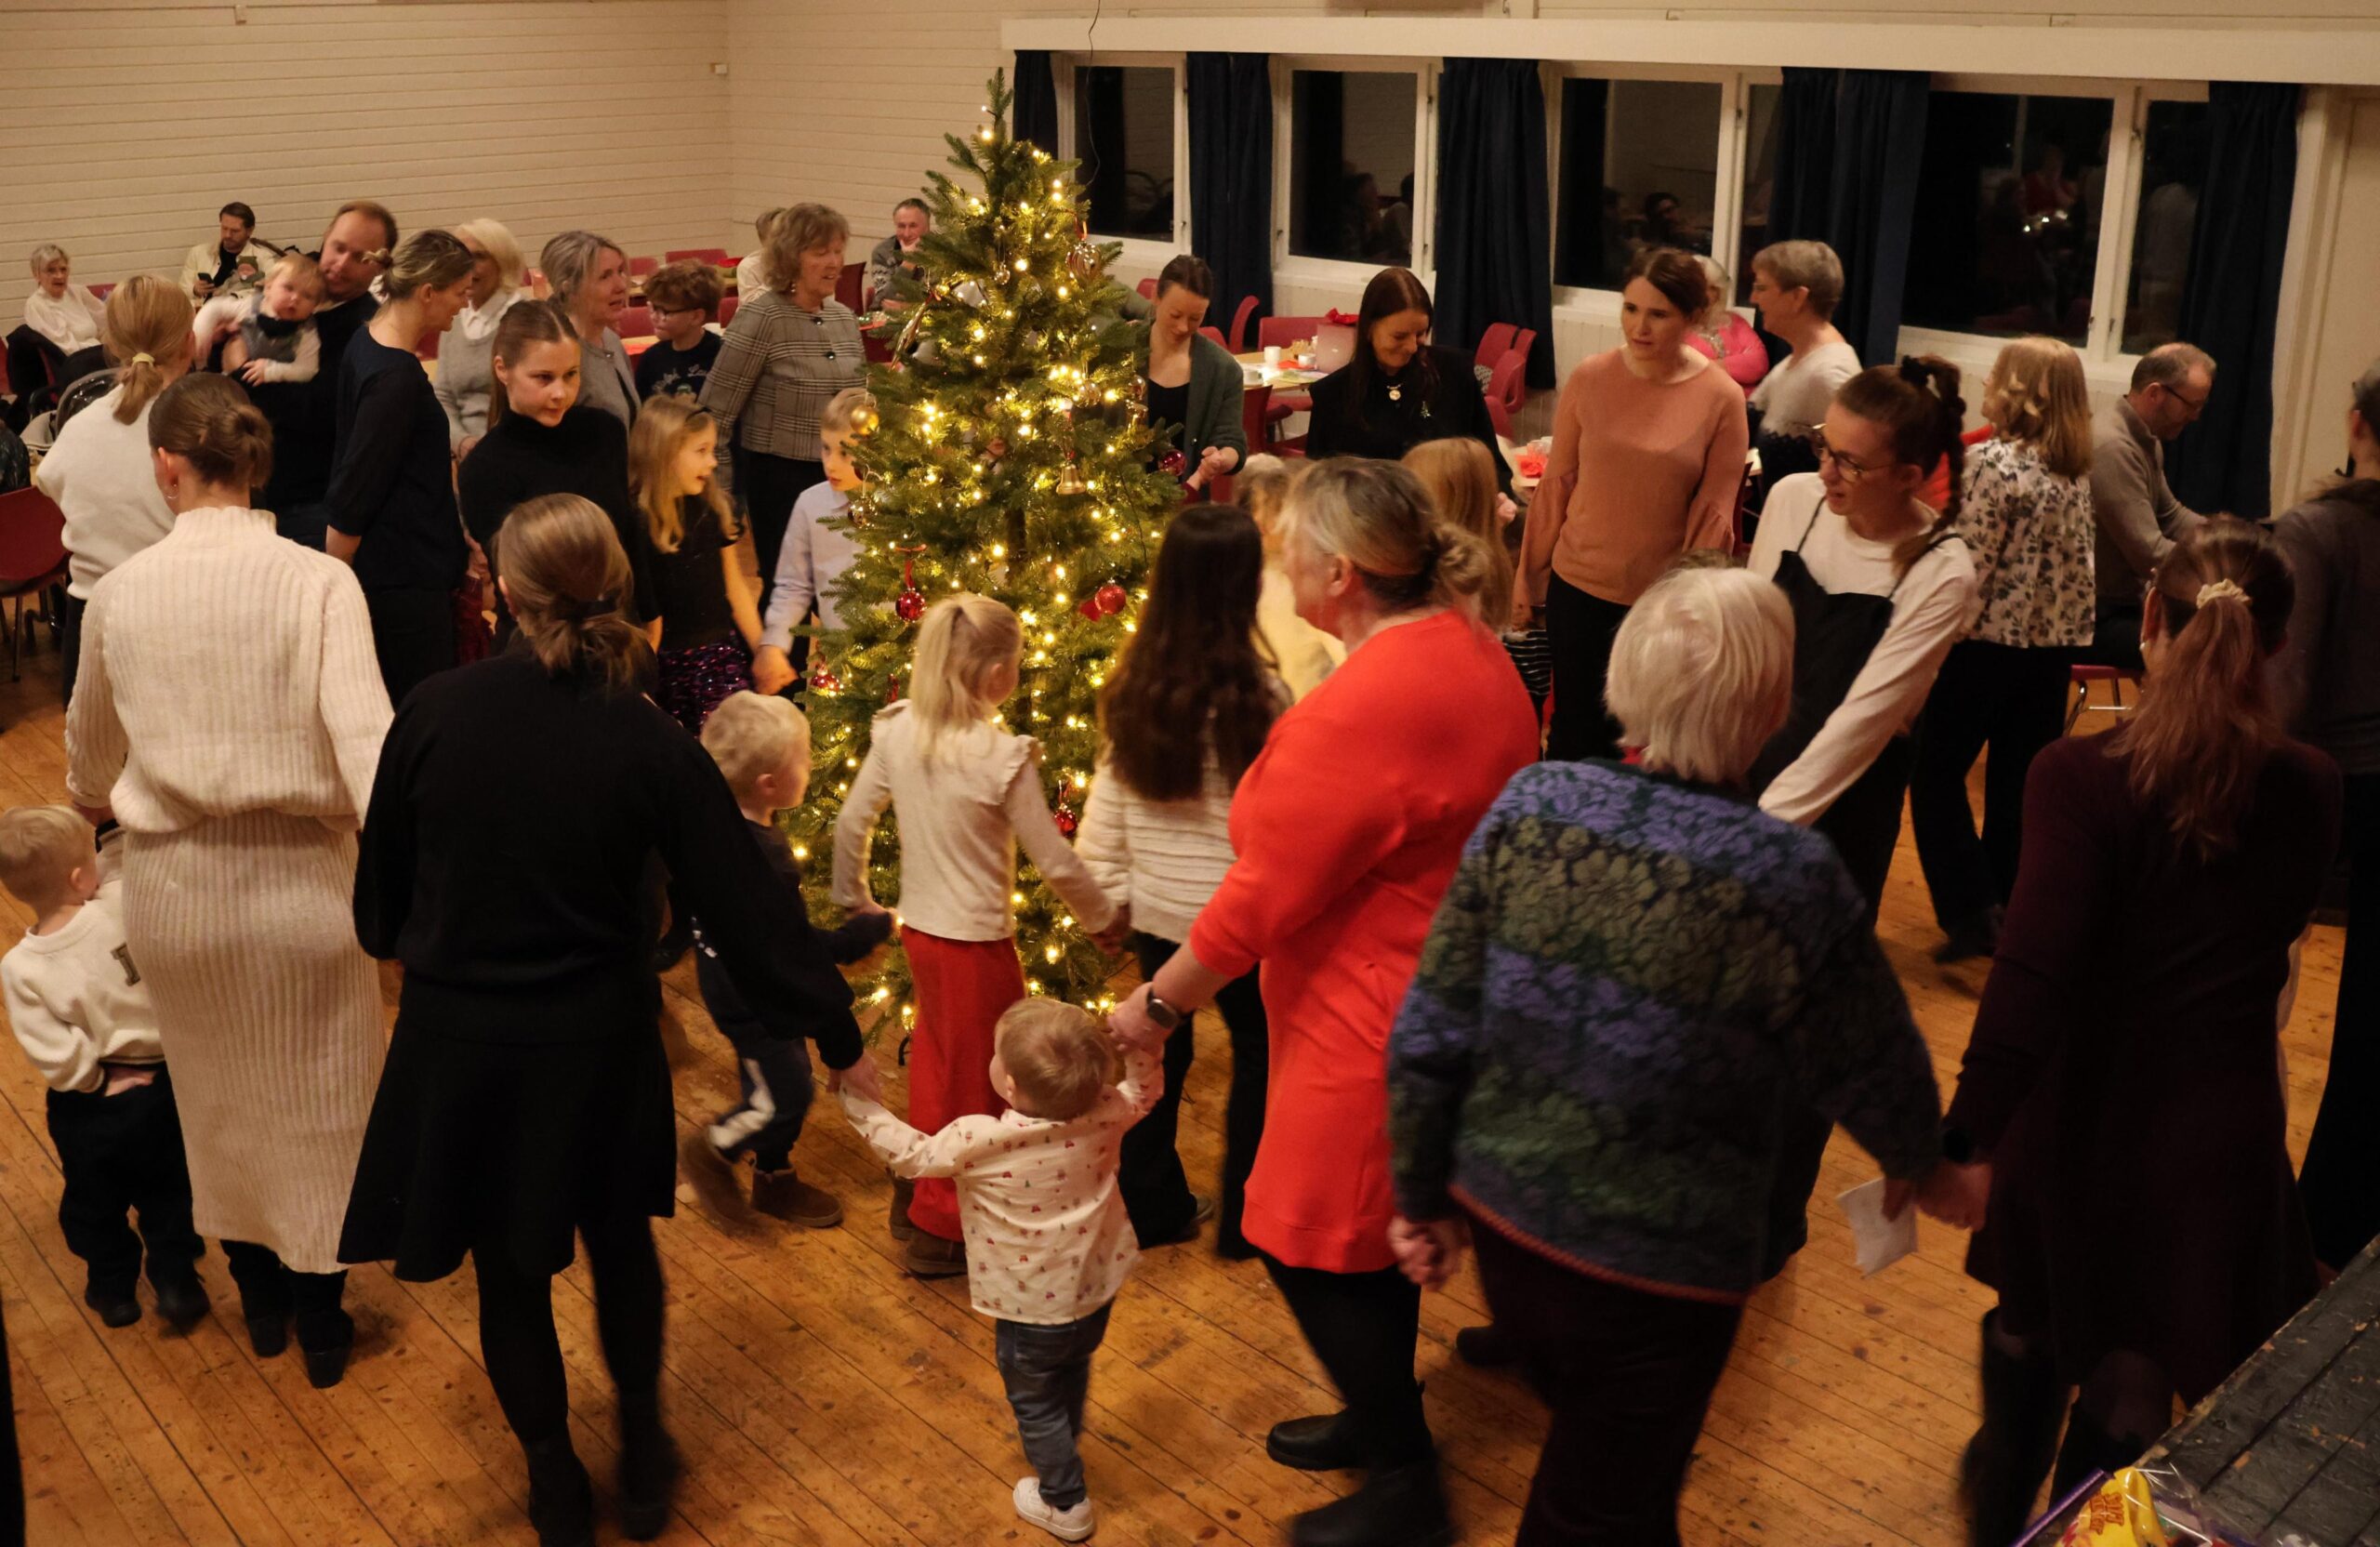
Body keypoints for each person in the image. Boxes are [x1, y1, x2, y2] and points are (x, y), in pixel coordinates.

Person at [338, 495, 879, 1547]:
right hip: (597, 1037)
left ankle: (551, 1482)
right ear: (618, 590)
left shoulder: (435, 711)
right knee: (620, 1245)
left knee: (508, 1269)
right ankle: (642, 1451)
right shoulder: (648, 739)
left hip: (465, 1042)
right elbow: (751, 910)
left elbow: (378, 912)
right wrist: (838, 1028)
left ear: (499, 587)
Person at [1382, 566, 1950, 1547]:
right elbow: (1870, 1060)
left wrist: (1420, 1193)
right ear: (1773, 706)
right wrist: (1928, 1164)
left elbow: (1432, 1022)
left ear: (1623, 680)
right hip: (1662, 1270)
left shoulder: (1534, 803)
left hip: (1508, 1230)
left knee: (1620, 1485)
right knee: (1594, 1505)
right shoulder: (1785, 872)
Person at [1109, 459, 1537, 1546]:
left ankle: (1407, 1484)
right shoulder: (1461, 646)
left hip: (1374, 1007)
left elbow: (1257, 896)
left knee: (1301, 1236)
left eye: (1287, 541)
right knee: (1360, 1232)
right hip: (1418, 984)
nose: (1275, 556)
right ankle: (1377, 1412)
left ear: (1338, 571)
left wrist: (1152, 1009)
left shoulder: (1366, 706)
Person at [1941, 521, 2339, 1544]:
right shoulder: (2309, 786)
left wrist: (1960, 1135)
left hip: (2076, 1111)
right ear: (2280, 645)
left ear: (2147, 622)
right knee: (2134, 1388)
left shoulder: (2075, 775)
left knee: (2031, 1328)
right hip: (2212, 1131)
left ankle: (1992, 1517)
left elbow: (2030, 975)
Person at [67, 373, 393, 1388]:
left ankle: (256, 1300)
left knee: (212, 1100)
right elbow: (371, 750)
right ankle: (323, 1315)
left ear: (168, 465)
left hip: (177, 889)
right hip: (306, 885)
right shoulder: (320, 582)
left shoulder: (119, 595)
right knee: (326, 1101)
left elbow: (87, 765)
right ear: (254, 464)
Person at [831, 595, 1121, 1278]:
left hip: (922, 937)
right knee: (981, 1081)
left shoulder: (899, 731)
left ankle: (916, 1195)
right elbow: (1053, 859)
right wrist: (1103, 919)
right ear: (994, 673)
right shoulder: (1000, 756)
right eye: (1015, 663)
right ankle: (940, 1228)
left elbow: (851, 824)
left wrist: (858, 902)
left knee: (937, 1060)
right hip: (977, 947)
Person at [840, 998, 1163, 1543]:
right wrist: (1144, 1051)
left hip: (1029, 1307)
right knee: (1072, 1368)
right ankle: (1067, 1438)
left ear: (1010, 1087)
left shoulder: (979, 1138)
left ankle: (1066, 1502)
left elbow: (912, 1156)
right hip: (1096, 1288)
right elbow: (1144, 1093)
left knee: (1033, 1400)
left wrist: (857, 1102)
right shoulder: (1108, 1109)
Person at [1077, 505, 1283, 1258]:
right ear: (1248, 585)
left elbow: (1110, 799)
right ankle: (1246, 1219)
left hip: (1162, 920)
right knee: (1262, 1059)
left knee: (1155, 1059)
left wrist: (1103, 898)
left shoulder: (1135, 685)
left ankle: (1152, 1204)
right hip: (1240, 925)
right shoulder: (1264, 695)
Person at [1751, 360, 1977, 914]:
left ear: (1908, 475)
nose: (1827, 471)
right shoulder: (1793, 500)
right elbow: (1746, 651)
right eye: (1824, 445)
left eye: (1850, 464)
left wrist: (1762, 828)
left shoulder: (1941, 570)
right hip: (1751, 767)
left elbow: (1865, 723)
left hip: (1846, 804)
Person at [1911, 337, 2099, 963]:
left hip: (1985, 645)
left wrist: (1938, 637)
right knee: (2016, 787)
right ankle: (2006, 908)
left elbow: (1974, 564)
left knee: (1934, 772)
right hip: (2048, 651)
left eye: (1995, 375)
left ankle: (1969, 908)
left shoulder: (1994, 462)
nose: (1987, 383)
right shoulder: (2072, 471)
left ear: (2017, 389)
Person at [1520, 247, 1750, 761]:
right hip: (1577, 583)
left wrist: (1689, 609)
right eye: (1630, 309)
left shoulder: (1722, 397)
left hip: (1656, 601)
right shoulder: (1590, 377)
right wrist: (1528, 578)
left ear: (1692, 317)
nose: (1639, 327)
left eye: (1658, 314)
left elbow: (1714, 518)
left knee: (1645, 743)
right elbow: (1557, 487)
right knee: (1575, 732)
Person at [680, 693, 893, 1228]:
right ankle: (712, 1149)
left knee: (777, 1079)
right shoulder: (764, 858)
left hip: (741, 978)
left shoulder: (717, 821)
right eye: (803, 757)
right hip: (750, 997)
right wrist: (858, 937)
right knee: (785, 1092)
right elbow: (795, 954)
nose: (813, 763)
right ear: (769, 784)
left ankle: (773, 1180)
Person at [0, 806, 206, 1334]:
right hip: (163, 1085)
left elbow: (52, 1052)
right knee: (171, 1189)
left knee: (94, 1198)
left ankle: (113, 1289)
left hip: (91, 1102)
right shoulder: (117, 909)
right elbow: (121, 862)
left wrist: (94, 1081)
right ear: (79, 877)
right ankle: (178, 1281)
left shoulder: (20, 968)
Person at [2276, 357, 2380, 1273]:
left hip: (2338, 792)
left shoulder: (2318, 529)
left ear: (2355, 425)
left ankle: (2317, 1233)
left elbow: (2286, 684)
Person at [324, 229, 475, 706]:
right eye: (459, 294)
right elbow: (356, 488)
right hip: (401, 583)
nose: (462, 305)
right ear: (428, 292)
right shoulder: (396, 379)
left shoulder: (367, 341)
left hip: (400, 568)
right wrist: (334, 586)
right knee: (418, 707)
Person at [33, 274, 192, 707]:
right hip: (177, 616)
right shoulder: (201, 427)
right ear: (190, 342)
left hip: (93, 619)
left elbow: (49, 483)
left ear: (111, 344)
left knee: (96, 769)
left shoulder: (79, 427)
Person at [456, 298, 646, 640]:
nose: (561, 392)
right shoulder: (485, 468)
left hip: (618, 627)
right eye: (543, 378)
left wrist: (649, 613)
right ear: (503, 370)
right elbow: (517, 583)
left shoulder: (605, 431)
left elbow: (626, 531)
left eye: (570, 375)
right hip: (539, 640)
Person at [701, 204, 865, 594]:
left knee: (840, 596)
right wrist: (721, 498)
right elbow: (715, 413)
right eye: (820, 252)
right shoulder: (763, 317)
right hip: (779, 481)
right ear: (791, 257)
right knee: (787, 596)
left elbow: (860, 404)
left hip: (842, 480)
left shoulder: (844, 318)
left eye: (838, 251)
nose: (834, 263)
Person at [249, 199, 396, 549]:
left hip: (304, 493)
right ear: (326, 236)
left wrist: (242, 368)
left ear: (379, 267)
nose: (341, 264)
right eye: (338, 248)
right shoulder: (292, 276)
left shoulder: (369, 329)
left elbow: (314, 410)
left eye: (359, 257)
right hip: (243, 476)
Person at [1302, 267, 1509, 485]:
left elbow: (1493, 464)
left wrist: (1500, 499)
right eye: (1399, 336)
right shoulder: (1334, 396)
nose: (1412, 347)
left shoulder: (1455, 374)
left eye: (1420, 334)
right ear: (1368, 329)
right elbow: (1317, 487)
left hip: (1448, 514)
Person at [630, 394, 760, 734]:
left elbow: (734, 586)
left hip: (719, 657)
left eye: (713, 450)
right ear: (663, 454)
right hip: (667, 667)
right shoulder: (638, 524)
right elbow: (643, 618)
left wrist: (763, 649)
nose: (714, 462)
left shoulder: (712, 510)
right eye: (701, 451)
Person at [2087, 341, 2214, 668]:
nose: (2197, 416)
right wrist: (2217, 574)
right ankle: (2168, 721)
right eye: (2191, 404)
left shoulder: (2144, 437)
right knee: (2209, 646)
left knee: (2223, 632)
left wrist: (2227, 536)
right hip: (2097, 616)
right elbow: (2149, 553)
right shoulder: (2113, 447)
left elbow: (2171, 516)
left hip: (2124, 606)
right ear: (2156, 393)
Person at [753, 386, 871, 693]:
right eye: (826, 448)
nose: (831, 463)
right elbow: (793, 584)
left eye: (845, 453)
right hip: (839, 666)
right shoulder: (811, 504)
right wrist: (775, 644)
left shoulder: (903, 505)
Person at [1746, 240, 1860, 503]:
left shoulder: (1831, 372)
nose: (1753, 298)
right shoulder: (1795, 362)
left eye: (1762, 288)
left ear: (1798, 297)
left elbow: (1858, 473)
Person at [1124, 255, 1246, 495]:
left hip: (1186, 509)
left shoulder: (1223, 369)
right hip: (1117, 503)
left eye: (1195, 319)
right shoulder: (1119, 350)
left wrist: (1222, 458)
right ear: (1155, 298)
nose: (1183, 327)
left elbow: (1231, 441)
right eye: (1175, 315)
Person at [1236, 455, 1342, 699]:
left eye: (1273, 509)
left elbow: (1346, 656)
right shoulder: (1255, 567)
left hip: (1301, 704)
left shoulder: (1314, 585)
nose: (1259, 518)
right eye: (1257, 506)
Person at [435, 218, 528, 457]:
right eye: (461, 256)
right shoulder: (454, 318)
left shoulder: (526, 319)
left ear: (503, 262)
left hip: (512, 450)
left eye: (479, 257)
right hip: (462, 453)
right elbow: (443, 395)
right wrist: (461, 441)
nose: (467, 266)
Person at [539, 231, 638, 430]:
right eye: (605, 276)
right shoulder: (557, 354)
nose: (621, 285)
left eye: (620, 271)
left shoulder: (609, 339)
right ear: (569, 288)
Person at [191, 252, 324, 386]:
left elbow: (308, 369)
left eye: (307, 296)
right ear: (268, 288)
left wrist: (271, 371)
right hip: (228, 381)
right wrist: (202, 335)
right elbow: (216, 307)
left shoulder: (306, 331)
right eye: (288, 288)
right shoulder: (252, 305)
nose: (295, 298)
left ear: (315, 306)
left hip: (270, 389)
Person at [634, 259, 724, 403]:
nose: (655, 317)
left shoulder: (722, 355)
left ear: (696, 316)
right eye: (653, 308)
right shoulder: (650, 359)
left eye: (664, 311)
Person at [20, 245, 108, 379]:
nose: (59, 276)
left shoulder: (78, 292)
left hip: (101, 356)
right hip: (79, 368)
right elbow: (67, 350)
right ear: (36, 274)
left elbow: (108, 321)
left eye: (63, 269)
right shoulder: (36, 305)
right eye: (51, 271)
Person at [1688, 255, 1769, 395]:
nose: (1705, 294)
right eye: (1699, 287)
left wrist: (1707, 366)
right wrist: (1736, 365)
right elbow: (1686, 372)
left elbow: (1759, 364)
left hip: (1747, 408)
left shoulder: (1734, 320)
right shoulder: (1673, 328)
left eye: (1712, 287)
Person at [179, 202, 268, 301]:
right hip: (201, 313)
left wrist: (232, 297)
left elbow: (269, 292)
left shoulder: (264, 259)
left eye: (235, 231)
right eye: (224, 228)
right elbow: (181, 292)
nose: (227, 235)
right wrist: (194, 290)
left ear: (250, 231)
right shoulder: (198, 253)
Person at [863, 198, 932, 311]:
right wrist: (908, 263)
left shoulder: (943, 251)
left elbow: (949, 304)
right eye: (901, 226)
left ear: (927, 228)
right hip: (889, 323)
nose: (906, 233)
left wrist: (910, 309)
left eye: (913, 226)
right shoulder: (883, 252)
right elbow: (882, 302)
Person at [734, 209, 782, 298]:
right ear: (764, 239)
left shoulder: (801, 261)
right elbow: (751, 307)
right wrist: (778, 274)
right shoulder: (749, 267)